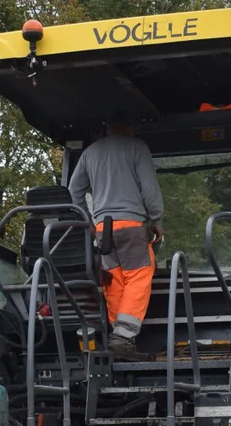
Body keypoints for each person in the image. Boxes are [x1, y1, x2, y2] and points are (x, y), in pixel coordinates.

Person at [68, 108, 165, 360]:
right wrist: (156, 219)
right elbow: (149, 188)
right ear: (129, 127)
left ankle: (118, 338)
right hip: (132, 225)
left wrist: (87, 221)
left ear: (107, 127)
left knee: (114, 279)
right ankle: (123, 338)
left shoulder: (90, 153)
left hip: (103, 230)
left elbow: (73, 191)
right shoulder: (136, 147)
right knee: (139, 275)